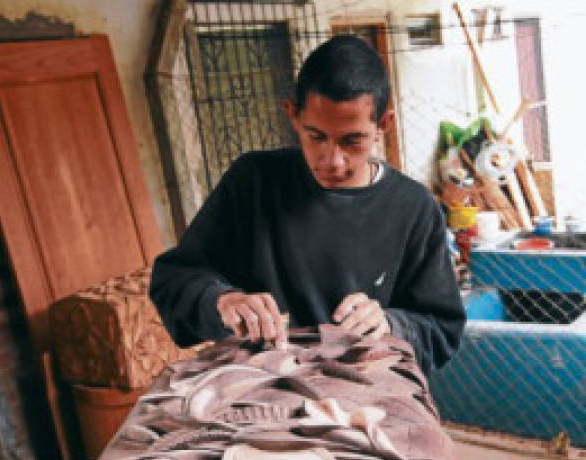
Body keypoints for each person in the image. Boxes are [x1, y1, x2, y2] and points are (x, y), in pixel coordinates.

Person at [150, 34, 465, 374]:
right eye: (316, 136)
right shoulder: (253, 181)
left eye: (352, 141)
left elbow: (441, 329)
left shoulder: (413, 208)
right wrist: (222, 300)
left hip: (362, 390)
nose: (333, 160)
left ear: (382, 125)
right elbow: (174, 279)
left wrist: (391, 324)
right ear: (293, 115)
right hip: (259, 385)